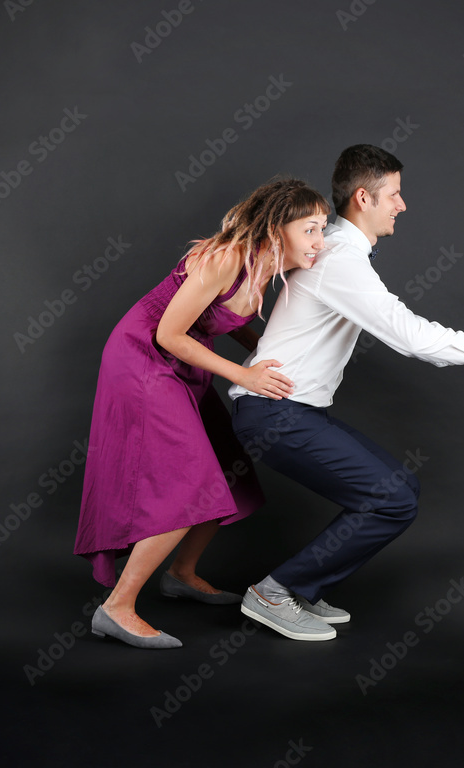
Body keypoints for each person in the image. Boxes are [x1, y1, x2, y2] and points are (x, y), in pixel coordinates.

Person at [229, 145, 464, 641]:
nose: (402, 205)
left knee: (401, 492)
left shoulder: (334, 249)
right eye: (393, 194)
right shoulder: (338, 259)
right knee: (392, 498)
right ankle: (274, 592)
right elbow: (411, 336)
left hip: (289, 409)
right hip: (275, 413)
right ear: (362, 198)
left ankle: (298, 590)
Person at [74, 178, 330, 649]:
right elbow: (169, 334)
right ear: (277, 229)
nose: (320, 240)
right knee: (190, 481)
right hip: (143, 359)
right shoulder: (227, 258)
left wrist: (265, 353)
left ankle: (181, 574)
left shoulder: (264, 266)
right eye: (311, 229)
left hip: (184, 361)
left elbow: (223, 320)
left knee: (227, 468)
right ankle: (117, 606)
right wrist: (244, 374)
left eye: (323, 229)